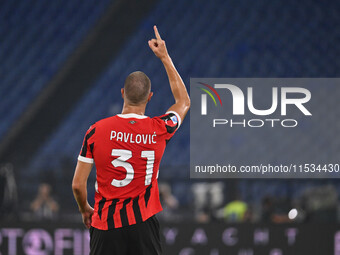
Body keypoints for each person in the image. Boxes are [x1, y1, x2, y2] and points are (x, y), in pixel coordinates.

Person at [72, 25, 190, 255]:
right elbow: (184, 101)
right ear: (150, 97)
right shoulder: (160, 128)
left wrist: (85, 209)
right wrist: (164, 57)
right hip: (143, 223)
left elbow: (77, 184)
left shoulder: (96, 130)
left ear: (122, 93)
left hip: (105, 224)